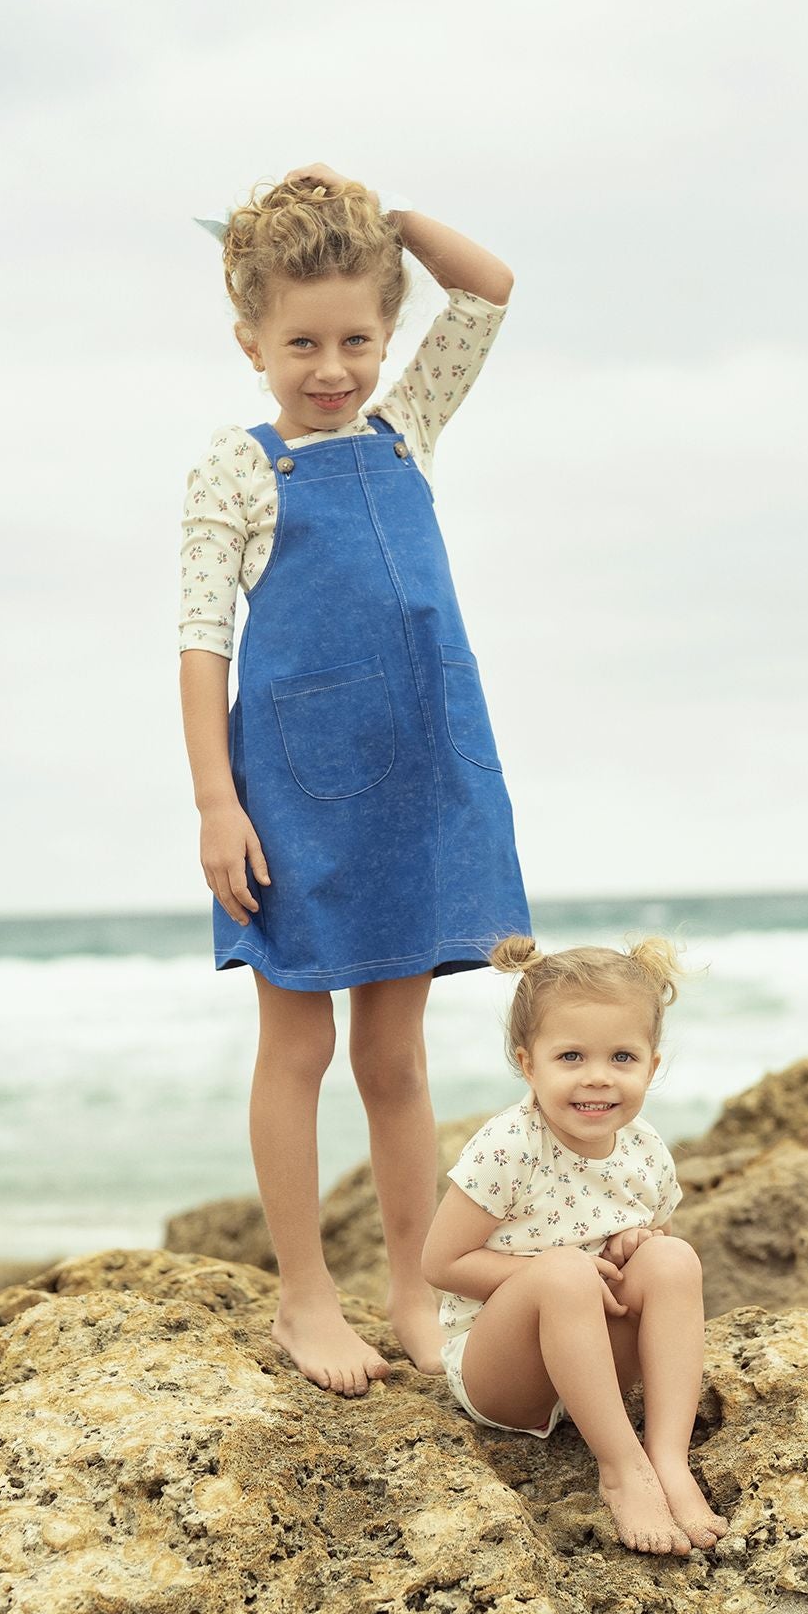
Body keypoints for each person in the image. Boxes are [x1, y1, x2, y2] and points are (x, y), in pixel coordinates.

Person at [179, 163, 531, 1399]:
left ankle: (410, 1289)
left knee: (399, 1057)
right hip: (291, 790)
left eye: (358, 338)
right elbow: (201, 640)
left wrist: (391, 224)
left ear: (386, 334)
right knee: (296, 1046)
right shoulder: (237, 468)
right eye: (301, 342)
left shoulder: (407, 428)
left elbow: (483, 290)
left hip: (422, 777)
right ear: (250, 342)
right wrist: (218, 804)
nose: (332, 367)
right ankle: (303, 1294)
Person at [421, 937, 729, 1556]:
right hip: (507, 1371)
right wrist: (555, 1273)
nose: (597, 1077)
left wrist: (636, 1241)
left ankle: (667, 1456)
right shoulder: (511, 1145)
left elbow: (647, 1247)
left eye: (622, 1056)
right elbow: (442, 1264)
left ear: (653, 1064)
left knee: (673, 1259)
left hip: (598, 1364)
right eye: (570, 1056)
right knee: (564, 1273)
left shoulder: (644, 1150)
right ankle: (621, 1467)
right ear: (527, 1063)